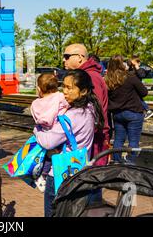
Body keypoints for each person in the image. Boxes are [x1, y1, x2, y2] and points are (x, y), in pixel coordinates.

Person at [33, 69, 104, 217]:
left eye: (69, 88)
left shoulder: (71, 116)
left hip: (59, 176)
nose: (64, 91)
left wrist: (37, 129)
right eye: (63, 86)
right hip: (79, 170)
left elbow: (47, 142)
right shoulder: (90, 108)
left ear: (83, 90)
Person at [62, 44, 110, 165]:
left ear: (79, 57)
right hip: (91, 138)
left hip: (93, 140)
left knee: (90, 178)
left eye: (67, 56)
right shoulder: (86, 75)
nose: (64, 60)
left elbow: (94, 110)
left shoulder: (89, 77)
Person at [105, 55, 148, 163]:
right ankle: (131, 161)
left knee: (118, 139)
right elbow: (144, 92)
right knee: (133, 140)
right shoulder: (130, 77)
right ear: (122, 65)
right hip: (133, 112)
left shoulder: (108, 80)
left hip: (117, 114)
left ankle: (116, 160)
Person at [30, 73, 69, 192]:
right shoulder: (60, 97)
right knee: (57, 155)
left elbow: (35, 117)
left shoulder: (35, 104)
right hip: (57, 131)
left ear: (39, 89)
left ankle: (42, 174)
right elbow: (68, 105)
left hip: (44, 132)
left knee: (47, 155)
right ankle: (48, 174)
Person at [129, 55, 153, 120]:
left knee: (139, 99)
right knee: (137, 99)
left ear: (138, 63)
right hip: (132, 87)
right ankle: (144, 111)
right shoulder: (131, 70)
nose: (133, 65)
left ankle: (148, 110)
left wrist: (137, 67)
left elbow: (142, 75)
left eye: (134, 64)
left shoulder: (140, 70)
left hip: (137, 87)